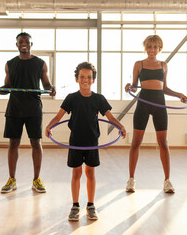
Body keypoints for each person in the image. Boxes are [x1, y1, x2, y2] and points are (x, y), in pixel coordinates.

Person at [45, 62, 126, 221]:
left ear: (93, 80)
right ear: (76, 79)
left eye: (89, 77)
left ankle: (90, 205)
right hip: (75, 141)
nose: (85, 80)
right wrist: (49, 126)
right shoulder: (71, 98)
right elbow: (58, 117)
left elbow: (110, 117)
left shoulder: (98, 99)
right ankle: (75, 206)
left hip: (91, 142)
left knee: (90, 172)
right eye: (82, 77)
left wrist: (121, 126)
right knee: (76, 173)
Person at [0, 32, 56, 194]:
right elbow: (7, 87)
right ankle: (12, 180)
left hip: (33, 108)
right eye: (21, 42)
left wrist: (50, 89)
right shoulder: (10, 64)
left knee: (35, 143)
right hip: (15, 108)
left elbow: (46, 84)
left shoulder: (40, 63)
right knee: (13, 144)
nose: (24, 44)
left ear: (31, 44)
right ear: (17, 44)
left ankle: (36, 180)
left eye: (27, 42)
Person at [124, 35, 187, 193]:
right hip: (144, 102)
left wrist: (179, 94)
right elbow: (134, 86)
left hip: (159, 103)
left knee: (163, 143)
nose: (152, 50)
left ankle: (167, 181)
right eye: (149, 46)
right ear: (145, 47)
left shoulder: (164, 65)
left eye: (155, 47)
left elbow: (164, 88)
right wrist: (129, 87)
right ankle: (131, 179)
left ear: (159, 49)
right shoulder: (138, 64)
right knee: (136, 142)